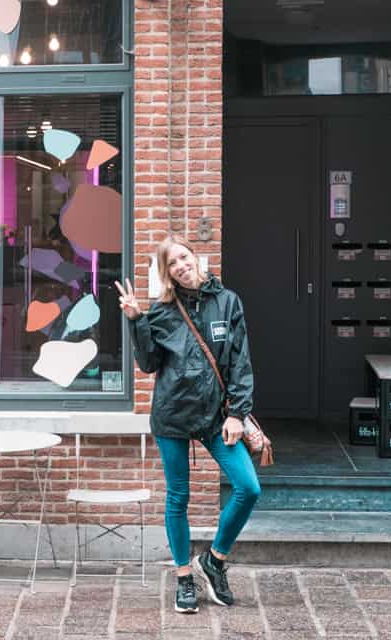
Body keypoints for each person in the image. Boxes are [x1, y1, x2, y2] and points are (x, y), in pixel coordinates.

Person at [114, 235, 260, 614]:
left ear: (195, 258)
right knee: (178, 497)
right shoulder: (161, 312)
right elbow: (148, 364)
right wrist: (135, 320)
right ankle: (183, 578)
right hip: (173, 416)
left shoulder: (227, 302)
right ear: (167, 274)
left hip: (216, 417)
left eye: (183, 257)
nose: (181, 266)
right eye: (172, 264)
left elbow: (241, 362)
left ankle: (214, 560)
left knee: (248, 487)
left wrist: (237, 414)